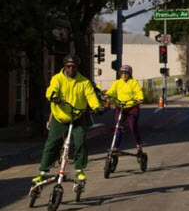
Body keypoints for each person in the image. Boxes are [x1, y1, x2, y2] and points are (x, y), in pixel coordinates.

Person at [33, 54, 103, 183]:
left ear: (77, 67)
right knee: (52, 144)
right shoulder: (57, 78)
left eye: (74, 66)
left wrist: (97, 107)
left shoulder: (84, 82)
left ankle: (79, 169)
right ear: (64, 66)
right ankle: (43, 171)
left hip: (77, 117)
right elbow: (51, 90)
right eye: (68, 66)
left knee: (80, 141)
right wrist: (53, 97)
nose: (71, 69)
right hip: (60, 118)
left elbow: (91, 96)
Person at [104, 65, 145, 153]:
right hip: (120, 107)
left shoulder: (134, 82)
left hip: (132, 107)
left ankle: (138, 144)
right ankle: (115, 147)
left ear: (130, 74)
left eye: (126, 73)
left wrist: (140, 98)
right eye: (122, 73)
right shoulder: (117, 83)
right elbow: (111, 90)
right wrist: (107, 94)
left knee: (132, 125)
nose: (124, 75)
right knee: (118, 126)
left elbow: (138, 91)